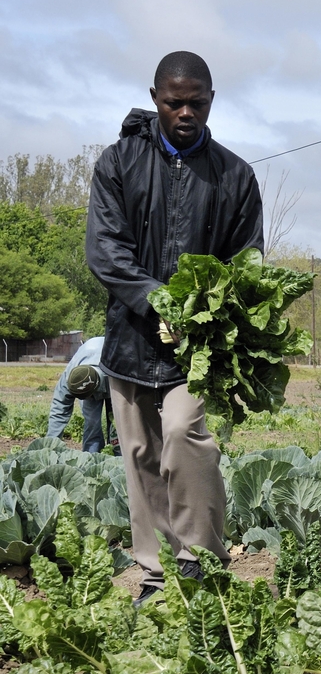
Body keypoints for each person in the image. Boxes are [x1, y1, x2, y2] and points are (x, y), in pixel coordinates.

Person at [86, 51, 264, 604]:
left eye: (197, 102)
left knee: (187, 435)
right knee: (139, 454)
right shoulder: (118, 163)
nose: (186, 112)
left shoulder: (234, 175)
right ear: (155, 98)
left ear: (212, 100)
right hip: (132, 337)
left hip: (201, 348)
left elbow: (248, 260)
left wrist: (205, 311)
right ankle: (158, 571)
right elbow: (105, 251)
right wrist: (155, 300)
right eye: (174, 102)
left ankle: (199, 563)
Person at [47, 337, 113, 454]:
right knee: (92, 422)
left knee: (117, 424)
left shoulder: (115, 372)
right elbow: (59, 409)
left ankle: (121, 459)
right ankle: (91, 457)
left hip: (113, 375)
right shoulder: (70, 379)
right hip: (91, 358)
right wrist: (50, 446)